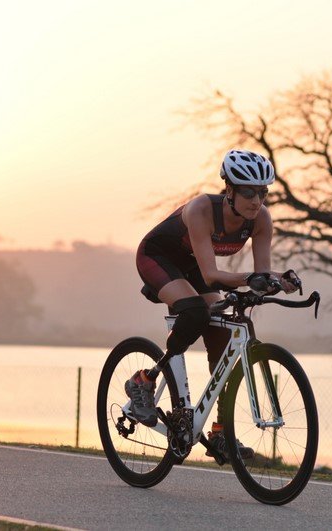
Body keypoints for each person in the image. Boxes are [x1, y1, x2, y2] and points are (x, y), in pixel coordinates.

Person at [126, 149, 299, 461]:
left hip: (192, 264)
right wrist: (253, 278)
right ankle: (143, 381)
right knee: (195, 312)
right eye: (248, 192)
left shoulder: (261, 220)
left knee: (222, 334)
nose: (256, 200)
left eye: (262, 192)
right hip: (158, 258)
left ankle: (221, 433)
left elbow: (260, 271)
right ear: (229, 190)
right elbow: (211, 275)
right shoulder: (201, 210)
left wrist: (279, 279)